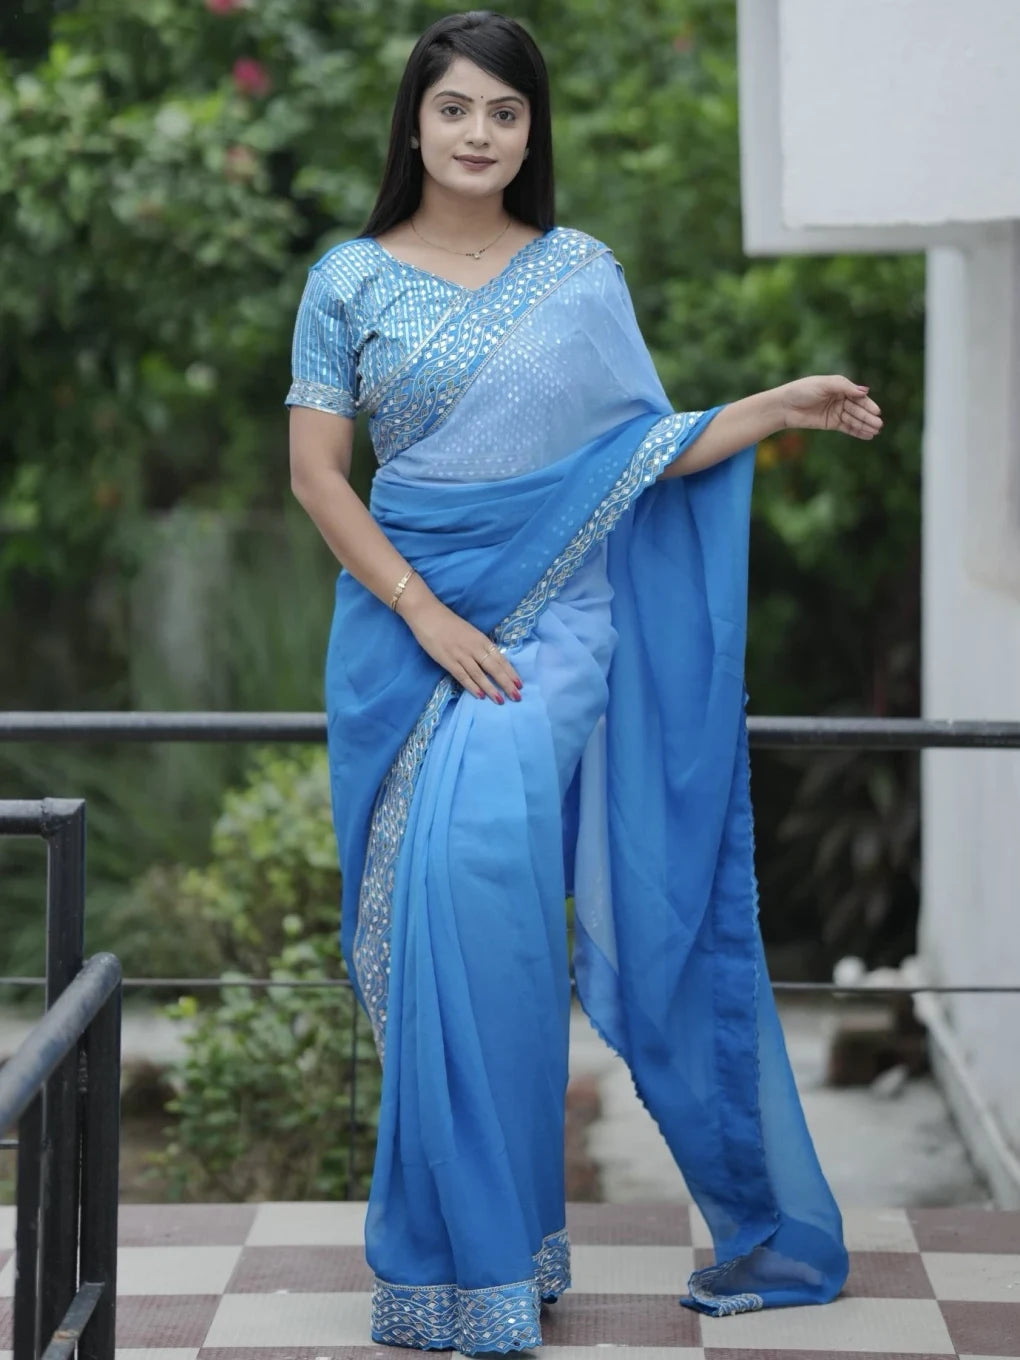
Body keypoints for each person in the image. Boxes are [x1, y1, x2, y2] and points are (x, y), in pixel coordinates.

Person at [285, 10, 882, 1354]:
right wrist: (425, 610)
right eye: (456, 111)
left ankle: (496, 1252)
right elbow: (319, 474)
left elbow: (641, 453)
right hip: (403, 630)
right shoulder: (350, 279)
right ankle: (476, 1260)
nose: (481, 134)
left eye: (506, 112)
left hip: (555, 628)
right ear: (415, 124)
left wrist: (772, 407)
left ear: (530, 130)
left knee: (481, 870)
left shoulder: (578, 273)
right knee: (444, 926)